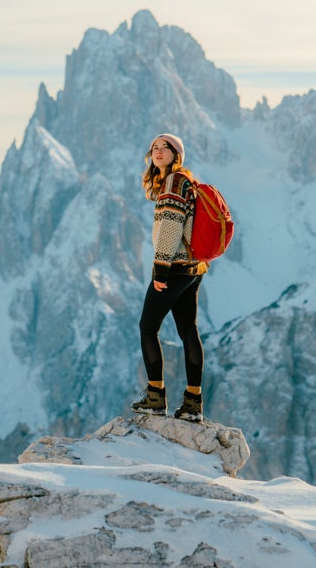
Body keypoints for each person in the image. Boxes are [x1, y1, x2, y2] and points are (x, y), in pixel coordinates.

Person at [131, 133, 208, 422]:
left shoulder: (175, 182)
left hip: (174, 268)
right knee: (188, 330)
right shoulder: (183, 181)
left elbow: (171, 228)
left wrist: (160, 270)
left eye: (166, 148)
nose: (158, 152)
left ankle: (155, 396)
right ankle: (192, 402)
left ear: (177, 155)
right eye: (154, 148)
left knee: (147, 327)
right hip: (193, 267)